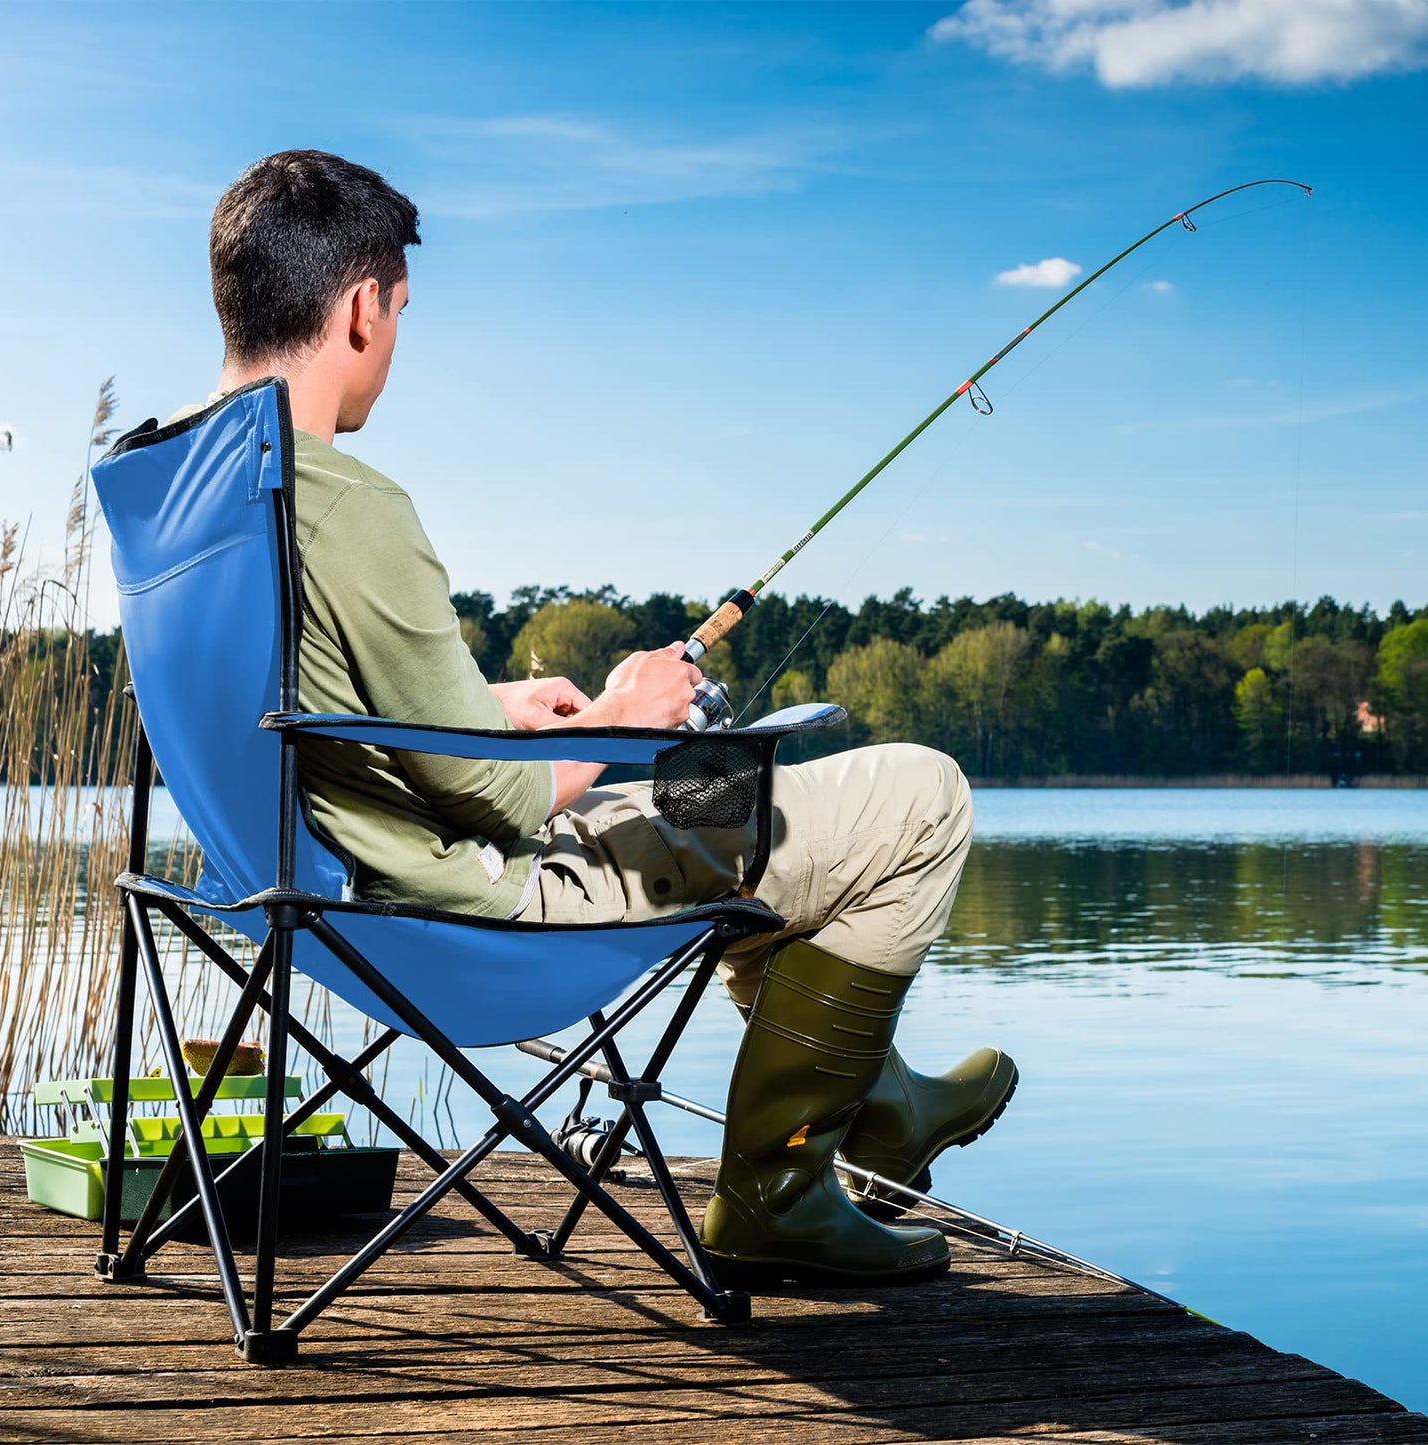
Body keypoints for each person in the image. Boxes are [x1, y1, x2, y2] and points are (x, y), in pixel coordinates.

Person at [198, 149, 1018, 1285]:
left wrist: (489, 706)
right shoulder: (348, 502)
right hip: (479, 905)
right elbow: (494, 795)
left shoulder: (185, 481)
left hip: (319, 895)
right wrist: (625, 707)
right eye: (398, 309)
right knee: (917, 796)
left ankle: (876, 1101)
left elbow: (295, 706)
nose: (395, 337)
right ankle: (782, 1182)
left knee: (735, 813)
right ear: (357, 308)